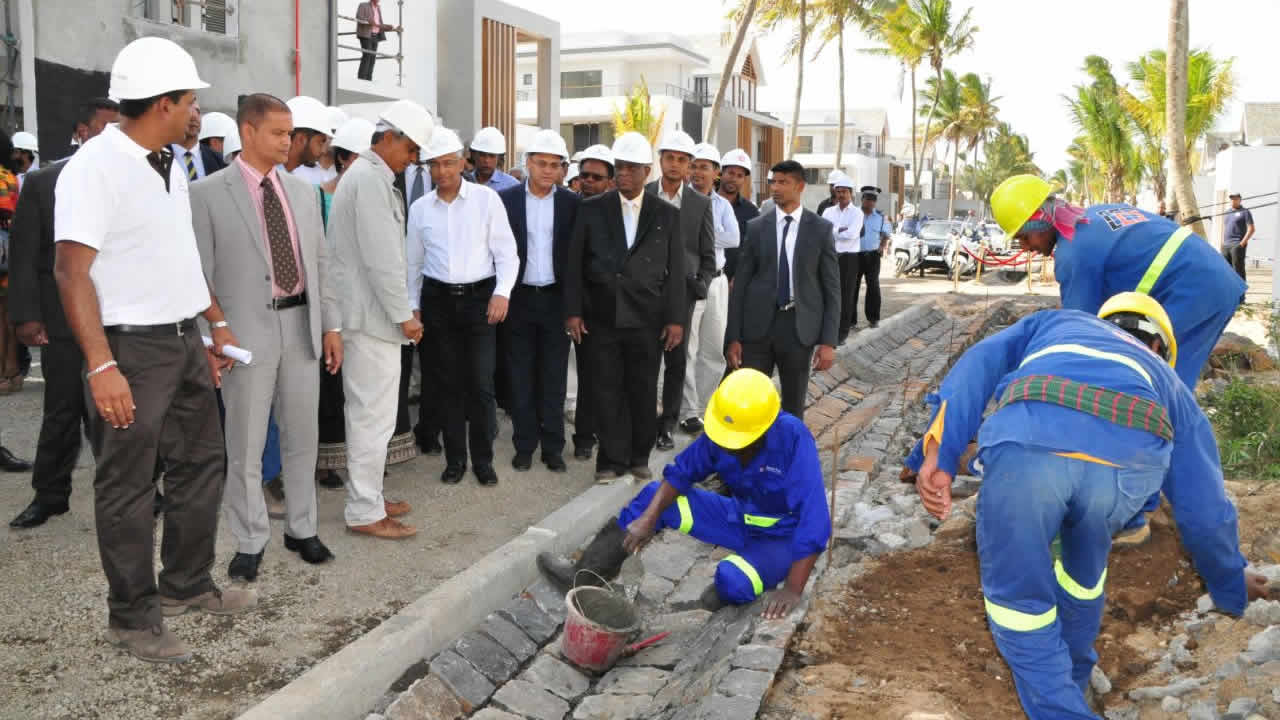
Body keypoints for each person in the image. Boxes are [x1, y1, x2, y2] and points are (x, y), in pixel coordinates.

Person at [904, 294, 1268, 720]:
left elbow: (978, 365)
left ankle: (1064, 707)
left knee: (1019, 603)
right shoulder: (1166, 382)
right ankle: (1074, 682)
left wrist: (938, 453)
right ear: (1158, 347)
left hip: (1029, 446)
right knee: (1083, 575)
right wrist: (1231, 582)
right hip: (1121, 475)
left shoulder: (1054, 323)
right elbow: (1204, 507)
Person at [53, 37, 256, 664]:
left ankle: (186, 584)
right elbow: (70, 272)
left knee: (202, 463)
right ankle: (132, 618)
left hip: (182, 340)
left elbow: (178, 255)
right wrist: (101, 365)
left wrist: (215, 324)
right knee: (128, 484)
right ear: (163, 103)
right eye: (190, 100)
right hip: (129, 349)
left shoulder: (166, 163)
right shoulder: (95, 166)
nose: (196, 111)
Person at [992, 174, 1247, 545]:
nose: (1026, 247)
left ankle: (1135, 513)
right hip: (1212, 284)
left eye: (1024, 237)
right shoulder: (1092, 218)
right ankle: (1167, 497)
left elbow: (1080, 338)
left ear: (1039, 222)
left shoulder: (1074, 254)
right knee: (1171, 393)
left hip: (1189, 294)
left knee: (1140, 395)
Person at [191, 93, 342, 581]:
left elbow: (320, 264)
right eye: (278, 133)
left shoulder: (303, 193)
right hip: (243, 335)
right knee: (246, 442)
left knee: (302, 436)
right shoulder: (207, 194)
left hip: (301, 326)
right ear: (248, 132)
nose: (287, 141)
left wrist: (331, 325)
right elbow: (199, 274)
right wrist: (211, 338)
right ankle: (250, 539)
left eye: (290, 133)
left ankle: (302, 528)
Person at [536, 368, 830, 618]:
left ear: (763, 429)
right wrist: (649, 518)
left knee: (732, 582)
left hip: (781, 538)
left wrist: (793, 589)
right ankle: (585, 575)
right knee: (653, 498)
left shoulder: (792, 438)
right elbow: (682, 472)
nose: (728, 445)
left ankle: (725, 594)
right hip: (736, 518)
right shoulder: (723, 429)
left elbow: (814, 519)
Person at [7, 97, 119, 528]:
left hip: (120, 319)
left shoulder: (131, 181)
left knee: (123, 414)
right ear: (82, 132)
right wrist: (27, 317)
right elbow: (24, 257)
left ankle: (136, 490)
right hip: (63, 320)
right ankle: (50, 495)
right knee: (61, 410)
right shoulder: (43, 183)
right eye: (106, 127)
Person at [327, 98, 433, 539]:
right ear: (388, 138)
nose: (412, 159)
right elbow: (382, 260)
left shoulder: (371, 177)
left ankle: (367, 496)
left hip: (370, 317)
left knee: (373, 417)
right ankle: (364, 510)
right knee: (372, 418)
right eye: (410, 149)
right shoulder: (369, 180)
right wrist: (404, 316)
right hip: (371, 320)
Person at [565, 132, 685, 480]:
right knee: (606, 389)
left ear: (647, 171)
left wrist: (675, 319)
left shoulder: (666, 214)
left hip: (647, 318)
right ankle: (609, 460)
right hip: (601, 315)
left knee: (643, 389)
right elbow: (574, 265)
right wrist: (573, 311)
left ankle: (638, 457)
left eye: (632, 168)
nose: (624, 174)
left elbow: (676, 271)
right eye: (620, 167)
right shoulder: (592, 209)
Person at [408, 127, 518, 486]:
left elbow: (507, 253)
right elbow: (413, 263)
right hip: (437, 302)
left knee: (481, 384)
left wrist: (502, 293)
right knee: (448, 384)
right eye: (434, 165)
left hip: (479, 301)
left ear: (461, 163)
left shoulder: (487, 200)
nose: (441, 171)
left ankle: (483, 461)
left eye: (447, 163)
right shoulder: (420, 209)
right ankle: (455, 460)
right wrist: (413, 307)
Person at [725, 160, 839, 419]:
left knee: (793, 405)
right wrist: (734, 337)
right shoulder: (756, 227)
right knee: (751, 402)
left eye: (783, 182)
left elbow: (832, 288)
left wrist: (828, 341)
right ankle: (753, 445)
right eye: (773, 182)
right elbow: (740, 286)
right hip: (757, 328)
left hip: (799, 328)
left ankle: (788, 446)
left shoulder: (820, 229)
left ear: (800, 186)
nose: (775, 188)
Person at [498, 130, 579, 473]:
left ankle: (553, 447)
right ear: (527, 163)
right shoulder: (507, 200)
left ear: (562, 169)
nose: (547, 170)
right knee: (520, 376)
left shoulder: (572, 204)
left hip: (556, 301)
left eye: (554, 165)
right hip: (518, 299)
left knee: (554, 377)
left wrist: (574, 308)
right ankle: (524, 445)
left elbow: (577, 260)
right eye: (541, 163)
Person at [314, 117, 376, 488]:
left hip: (366, 303)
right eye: (357, 159)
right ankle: (328, 459)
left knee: (364, 387)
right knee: (331, 383)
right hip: (332, 301)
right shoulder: (318, 196)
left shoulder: (375, 198)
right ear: (342, 158)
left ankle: (364, 462)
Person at [646, 131, 715, 452]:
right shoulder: (644, 193)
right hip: (644, 293)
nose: (675, 164)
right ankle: (644, 422)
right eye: (669, 158)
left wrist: (699, 286)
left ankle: (667, 426)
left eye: (682, 159)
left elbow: (708, 254)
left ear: (689, 165)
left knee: (676, 362)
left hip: (682, 296)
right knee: (644, 360)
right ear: (660, 160)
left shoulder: (700, 204)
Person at [677, 142, 740, 437]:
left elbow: (734, 239)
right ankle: (688, 411)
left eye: (704, 167)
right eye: (694, 166)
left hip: (716, 282)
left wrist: (700, 234)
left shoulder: (722, 205)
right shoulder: (681, 200)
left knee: (713, 350)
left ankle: (704, 407)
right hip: (688, 281)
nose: (697, 172)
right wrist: (710, 235)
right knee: (687, 348)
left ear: (716, 173)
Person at [565, 143, 614, 461]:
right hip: (582, 309)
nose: (589, 182)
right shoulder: (572, 208)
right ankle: (584, 437)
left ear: (610, 181)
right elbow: (572, 267)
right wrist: (574, 311)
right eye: (584, 176)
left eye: (597, 177)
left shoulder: (621, 211)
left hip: (618, 310)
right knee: (588, 375)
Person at [822, 176, 863, 343]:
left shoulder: (857, 213)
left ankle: (842, 334)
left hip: (848, 259)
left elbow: (852, 235)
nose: (841, 195)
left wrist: (834, 230)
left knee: (846, 296)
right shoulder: (828, 212)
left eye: (844, 191)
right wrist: (841, 230)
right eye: (838, 191)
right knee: (828, 294)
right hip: (830, 257)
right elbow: (823, 232)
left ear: (851, 193)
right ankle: (828, 331)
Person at [0, 130, 24, 395]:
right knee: (7, 316)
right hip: (10, 253)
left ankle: (3, 375)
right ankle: (12, 371)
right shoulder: (11, 176)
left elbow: (4, 208)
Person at [849, 185, 889, 331]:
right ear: (862, 199)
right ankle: (850, 321)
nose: (871, 202)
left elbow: (886, 234)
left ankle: (873, 319)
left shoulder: (881, 217)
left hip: (873, 256)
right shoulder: (854, 214)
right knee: (852, 287)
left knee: (873, 287)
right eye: (868, 199)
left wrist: (881, 247)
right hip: (855, 255)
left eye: (873, 200)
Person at [717, 148, 759, 284]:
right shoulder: (705, 203)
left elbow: (753, 249)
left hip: (736, 283)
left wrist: (740, 276)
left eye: (740, 176)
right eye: (730, 173)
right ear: (721, 172)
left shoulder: (751, 211)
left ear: (744, 180)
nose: (734, 179)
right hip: (705, 278)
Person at [283, 96, 334, 184]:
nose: (324, 151)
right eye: (321, 142)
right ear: (301, 139)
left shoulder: (284, 176)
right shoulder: (270, 176)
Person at [171, 98, 225, 180]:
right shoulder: (158, 156)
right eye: (188, 111)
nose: (194, 117)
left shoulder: (218, 160)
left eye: (198, 112)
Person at [355, 0, 400, 81]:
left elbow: (379, 23)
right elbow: (359, 17)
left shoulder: (378, 8)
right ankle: (362, 79)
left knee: (372, 57)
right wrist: (370, 21)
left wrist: (391, 28)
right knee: (367, 55)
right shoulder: (363, 5)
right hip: (366, 35)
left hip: (375, 35)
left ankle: (368, 79)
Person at [468, 126, 520, 192]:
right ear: (474, 155)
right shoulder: (463, 182)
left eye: (492, 156)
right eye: (482, 155)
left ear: (499, 158)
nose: (486, 160)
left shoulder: (512, 185)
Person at [1222, 192, 1255, 281]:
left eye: (1236, 199)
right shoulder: (1227, 212)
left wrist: (1242, 244)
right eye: (1232, 199)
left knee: (1238, 270)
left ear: (1240, 200)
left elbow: (1251, 229)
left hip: (1237, 244)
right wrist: (1223, 243)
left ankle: (1241, 290)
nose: (1233, 200)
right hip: (1226, 245)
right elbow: (1226, 228)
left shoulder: (1245, 212)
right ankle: (1230, 289)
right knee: (1226, 270)